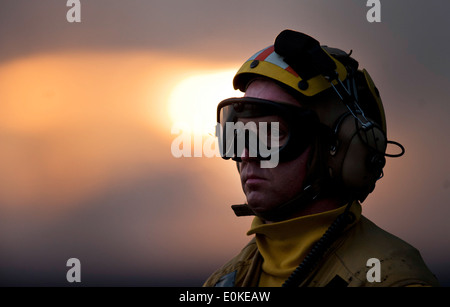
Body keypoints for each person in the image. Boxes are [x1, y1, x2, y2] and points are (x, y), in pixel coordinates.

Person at [203, 30, 439, 287]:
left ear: (342, 148)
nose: (247, 155)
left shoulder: (391, 278)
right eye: (242, 136)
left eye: (272, 135)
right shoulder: (226, 281)